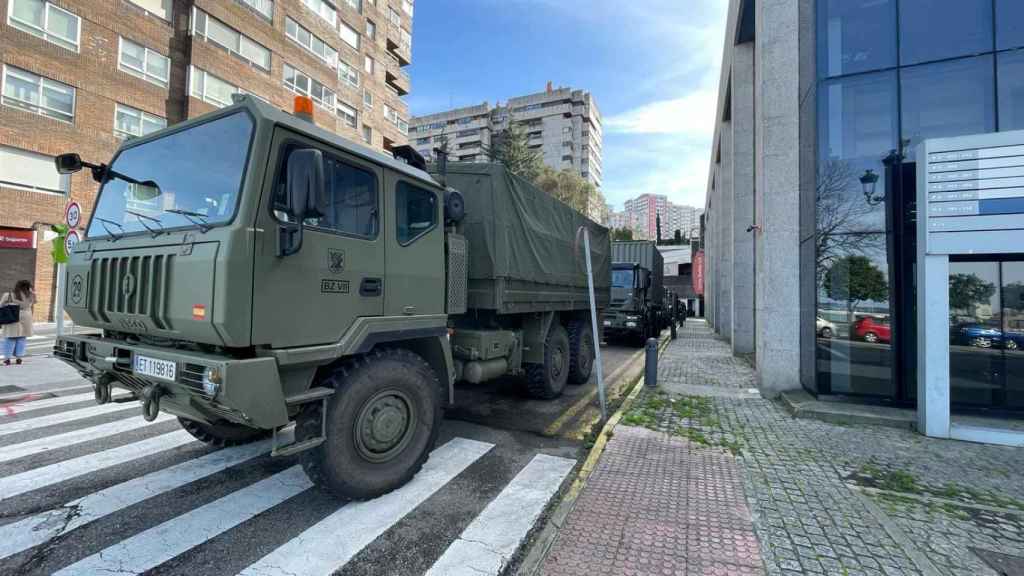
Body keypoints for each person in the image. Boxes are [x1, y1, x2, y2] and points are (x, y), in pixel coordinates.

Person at [1, 280, 35, 366]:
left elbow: (1, 305)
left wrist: (9, 303)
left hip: (11, 317)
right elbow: (30, 304)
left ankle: (7, 359)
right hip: (26, 318)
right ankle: (19, 358)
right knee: (21, 338)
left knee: (10, 338)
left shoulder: (8, 295)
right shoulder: (30, 296)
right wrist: (32, 292)